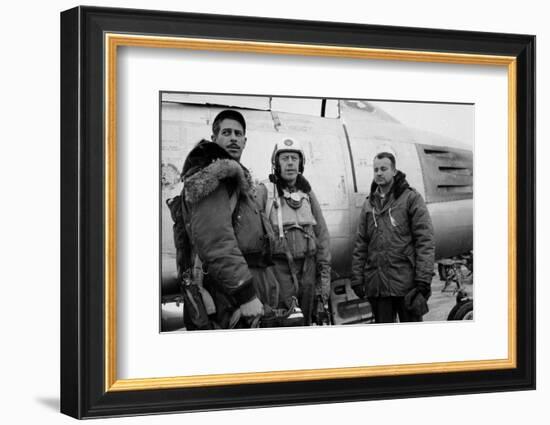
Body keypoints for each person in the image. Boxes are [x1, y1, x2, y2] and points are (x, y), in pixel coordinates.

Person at [167, 109, 279, 329]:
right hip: (228, 297)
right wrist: (246, 295)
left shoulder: (238, 182)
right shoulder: (213, 178)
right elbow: (216, 243)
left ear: (245, 141)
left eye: (238, 134)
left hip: (243, 288)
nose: (233, 138)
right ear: (214, 138)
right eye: (226, 133)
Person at [351, 151, 435, 323]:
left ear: (394, 171)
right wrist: (357, 278)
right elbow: (361, 244)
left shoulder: (411, 198)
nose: (379, 173)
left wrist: (423, 280)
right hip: (379, 287)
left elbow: (425, 240)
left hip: (406, 285)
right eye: (376, 170)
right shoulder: (369, 205)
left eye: (383, 168)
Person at [256, 137, 331, 326]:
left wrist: (324, 278)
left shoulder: (307, 194)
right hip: (278, 271)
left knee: (305, 321)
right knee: (282, 322)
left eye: (294, 158)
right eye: (285, 158)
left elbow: (321, 234)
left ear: (300, 164)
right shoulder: (264, 191)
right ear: (276, 163)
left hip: (307, 269)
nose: (290, 163)